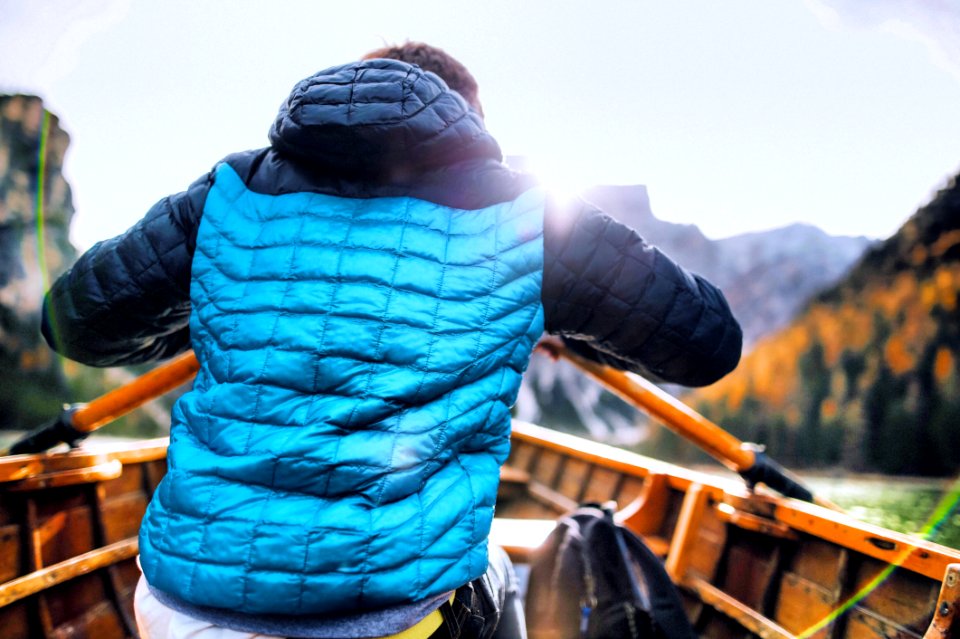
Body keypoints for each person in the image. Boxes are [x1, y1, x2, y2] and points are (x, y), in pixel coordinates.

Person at [41, 42, 742, 639]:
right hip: (385, 619)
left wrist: (218, 309)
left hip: (185, 608)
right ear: (467, 116)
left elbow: (74, 321)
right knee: (492, 570)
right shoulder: (527, 212)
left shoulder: (228, 189)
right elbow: (706, 343)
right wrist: (554, 309)